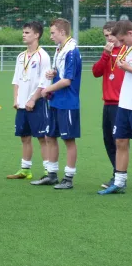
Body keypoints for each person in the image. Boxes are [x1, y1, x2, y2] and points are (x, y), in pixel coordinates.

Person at [36, 18, 82, 190]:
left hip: (67, 102)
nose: (50, 36)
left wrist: (47, 89)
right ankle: (52, 175)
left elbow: (68, 80)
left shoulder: (72, 51)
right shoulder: (60, 49)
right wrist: (52, 72)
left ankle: (68, 178)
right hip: (56, 100)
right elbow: (61, 73)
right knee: (49, 136)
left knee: (68, 140)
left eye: (53, 32)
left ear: (62, 32)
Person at [7, 22, 51, 180]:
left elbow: (44, 83)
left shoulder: (43, 56)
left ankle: (48, 171)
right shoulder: (20, 56)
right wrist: (16, 99)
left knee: (42, 137)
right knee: (24, 136)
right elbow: (16, 80)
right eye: (23, 32)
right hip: (22, 104)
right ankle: (25, 169)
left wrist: (33, 99)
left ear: (36, 35)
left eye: (27, 32)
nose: (23, 35)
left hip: (37, 103)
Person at [99, 20, 132, 194]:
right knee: (119, 140)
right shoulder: (126, 49)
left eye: (122, 39)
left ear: (130, 33)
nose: (120, 42)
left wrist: (129, 68)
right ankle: (119, 181)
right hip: (124, 104)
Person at [92, 21, 124, 189]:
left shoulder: (126, 51)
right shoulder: (107, 53)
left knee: (120, 142)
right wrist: (105, 54)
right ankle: (116, 174)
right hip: (108, 104)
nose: (109, 38)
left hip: (124, 104)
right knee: (109, 141)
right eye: (106, 35)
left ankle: (119, 176)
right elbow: (96, 72)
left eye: (111, 34)